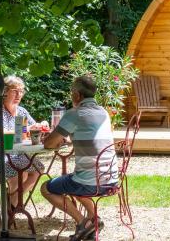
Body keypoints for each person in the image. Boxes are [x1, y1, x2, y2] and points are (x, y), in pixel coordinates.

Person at [41, 76, 117, 241]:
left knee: (46, 188)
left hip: (90, 183)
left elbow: (48, 144)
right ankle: (94, 218)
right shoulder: (103, 112)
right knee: (78, 179)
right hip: (111, 179)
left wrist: (51, 138)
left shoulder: (74, 114)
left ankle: (83, 222)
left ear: (76, 95)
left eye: (71, 93)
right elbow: (90, 135)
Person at [0, 75, 45, 208]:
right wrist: (26, 130)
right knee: (19, 172)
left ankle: (12, 203)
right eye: (15, 91)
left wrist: (41, 125)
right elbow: (4, 139)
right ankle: (11, 209)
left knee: (38, 169)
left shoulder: (21, 111)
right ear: (5, 91)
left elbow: (34, 128)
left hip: (14, 155)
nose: (18, 94)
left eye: (21, 91)